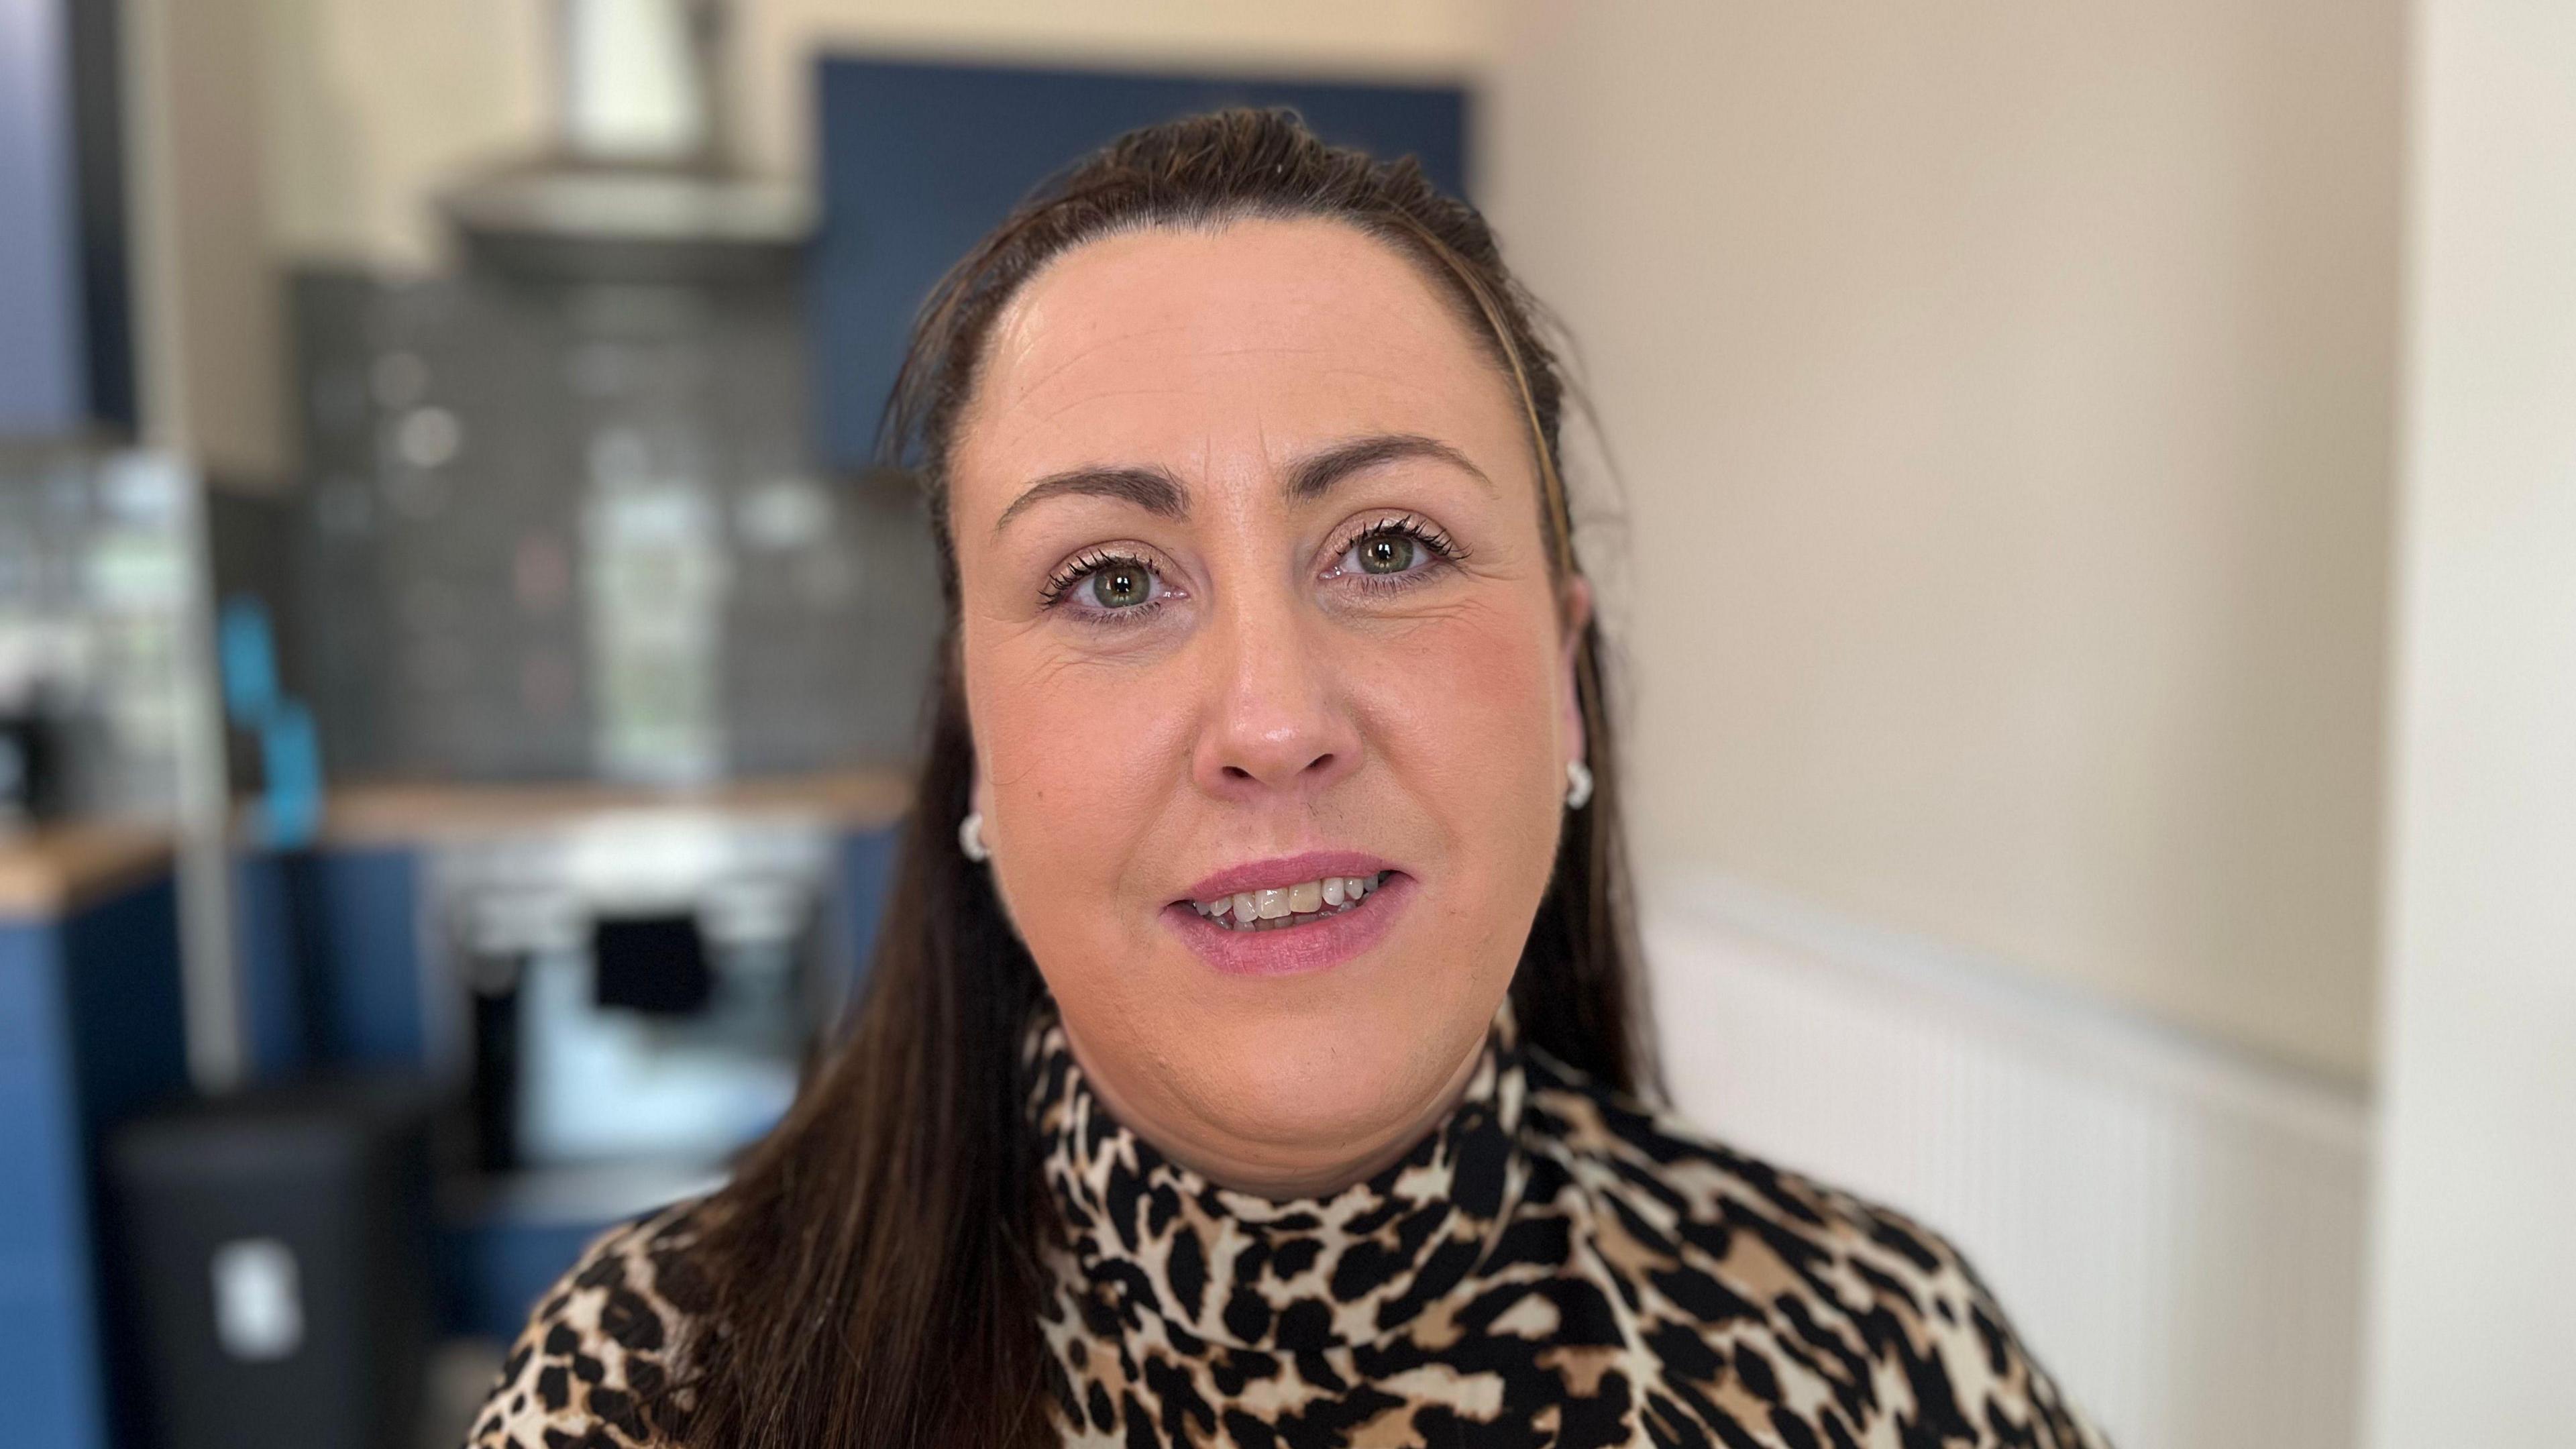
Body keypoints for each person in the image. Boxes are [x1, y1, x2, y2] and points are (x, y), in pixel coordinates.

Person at [466, 108, 2107, 1449]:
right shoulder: (660, 1391)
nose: (1271, 716)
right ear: (973, 741)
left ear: (1566, 683)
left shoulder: (1888, 1361)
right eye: (1113, 580)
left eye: (1389, 546)